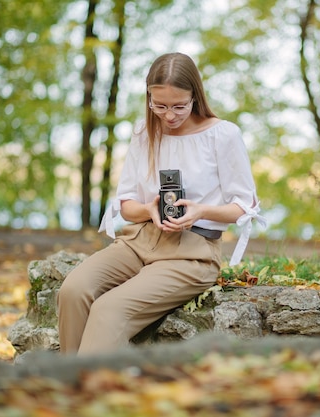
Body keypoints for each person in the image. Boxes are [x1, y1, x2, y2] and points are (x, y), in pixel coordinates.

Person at [56, 52, 266, 355]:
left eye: (179, 106)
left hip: (192, 254)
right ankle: (65, 386)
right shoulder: (144, 131)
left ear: (195, 96)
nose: (169, 115)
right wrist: (148, 209)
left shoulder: (223, 135)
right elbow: (126, 204)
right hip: (138, 240)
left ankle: (89, 396)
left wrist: (201, 210)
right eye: (160, 105)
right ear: (149, 98)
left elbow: (244, 207)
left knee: (109, 310)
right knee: (73, 291)